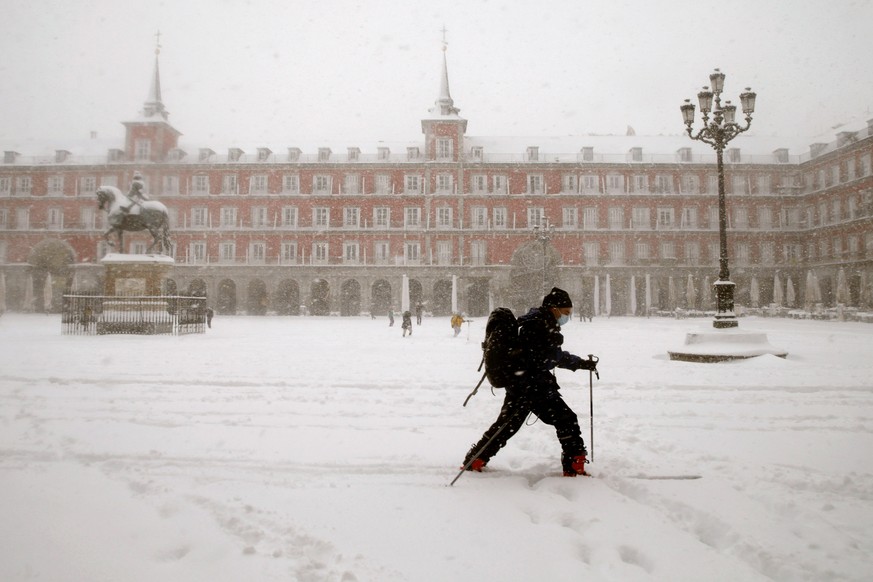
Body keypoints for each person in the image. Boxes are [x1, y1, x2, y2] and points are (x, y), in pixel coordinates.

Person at [460, 287, 598, 477]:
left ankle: (476, 459)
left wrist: (579, 363)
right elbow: (543, 359)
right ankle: (575, 464)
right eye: (566, 313)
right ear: (554, 308)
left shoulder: (538, 322)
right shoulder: (538, 325)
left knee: (508, 425)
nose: (567, 317)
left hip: (522, 382)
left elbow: (547, 357)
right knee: (566, 419)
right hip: (532, 385)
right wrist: (561, 353)